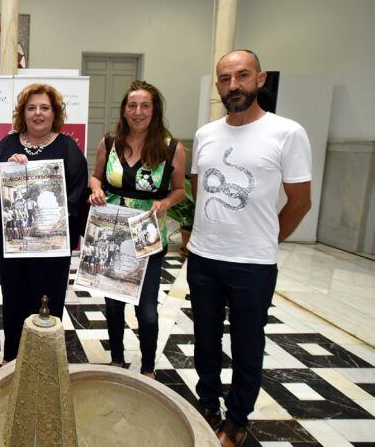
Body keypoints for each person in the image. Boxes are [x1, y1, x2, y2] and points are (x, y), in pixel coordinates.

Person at [187, 50, 312, 447]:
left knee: (247, 344)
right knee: (205, 339)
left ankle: (237, 419)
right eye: (225, 78)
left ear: (260, 79)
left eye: (242, 76)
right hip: (204, 258)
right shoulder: (207, 134)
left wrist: (266, 241)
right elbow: (198, 186)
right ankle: (208, 404)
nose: (233, 85)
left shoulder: (287, 132)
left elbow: (299, 202)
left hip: (253, 265)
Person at [0, 83, 88, 363]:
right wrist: (7, 171)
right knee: (15, 297)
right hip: (16, 242)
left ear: (54, 113)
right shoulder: (8, 144)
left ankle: (46, 359)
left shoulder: (68, 147)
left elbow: (77, 193)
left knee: (49, 297)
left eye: (44, 107)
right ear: (23, 113)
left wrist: (53, 224)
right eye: (31, 108)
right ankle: (13, 357)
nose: (37, 113)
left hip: (52, 245)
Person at [88, 80, 186, 378]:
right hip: (114, 231)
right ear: (124, 110)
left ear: (155, 110)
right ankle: (116, 358)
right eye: (132, 105)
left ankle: (147, 367)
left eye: (145, 106)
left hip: (148, 233)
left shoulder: (172, 148)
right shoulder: (109, 142)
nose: (138, 111)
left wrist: (165, 202)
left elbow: (180, 189)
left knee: (146, 310)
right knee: (114, 302)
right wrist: (95, 191)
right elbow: (96, 178)